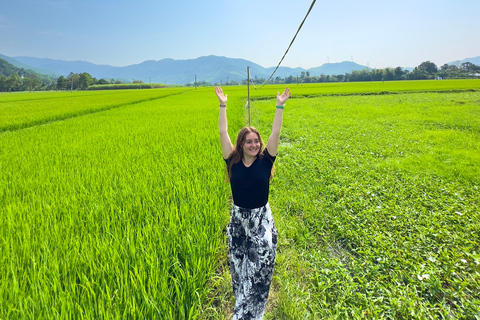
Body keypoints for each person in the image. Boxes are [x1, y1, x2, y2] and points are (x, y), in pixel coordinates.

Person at [215, 86, 291, 319]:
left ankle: (251, 315)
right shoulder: (232, 161)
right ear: (240, 144)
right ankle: (242, 308)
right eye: (248, 141)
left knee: (259, 272)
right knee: (239, 273)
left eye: (256, 141)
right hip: (239, 224)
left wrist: (280, 106)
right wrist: (223, 105)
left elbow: (276, 135)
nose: (253, 144)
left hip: (261, 222)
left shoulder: (265, 161)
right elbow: (222, 132)